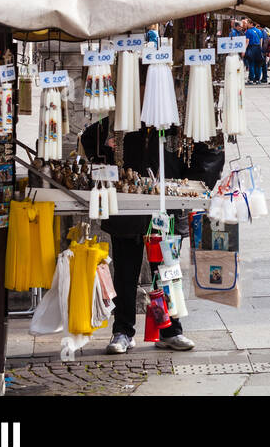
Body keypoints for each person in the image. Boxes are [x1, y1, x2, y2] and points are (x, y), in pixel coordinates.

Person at [79, 118, 196, 355]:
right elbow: (89, 138)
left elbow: (202, 152)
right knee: (125, 274)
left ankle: (170, 330)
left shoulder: (175, 117)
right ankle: (122, 330)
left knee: (166, 273)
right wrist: (107, 165)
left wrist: (189, 185)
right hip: (127, 211)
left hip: (166, 208)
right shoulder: (122, 116)